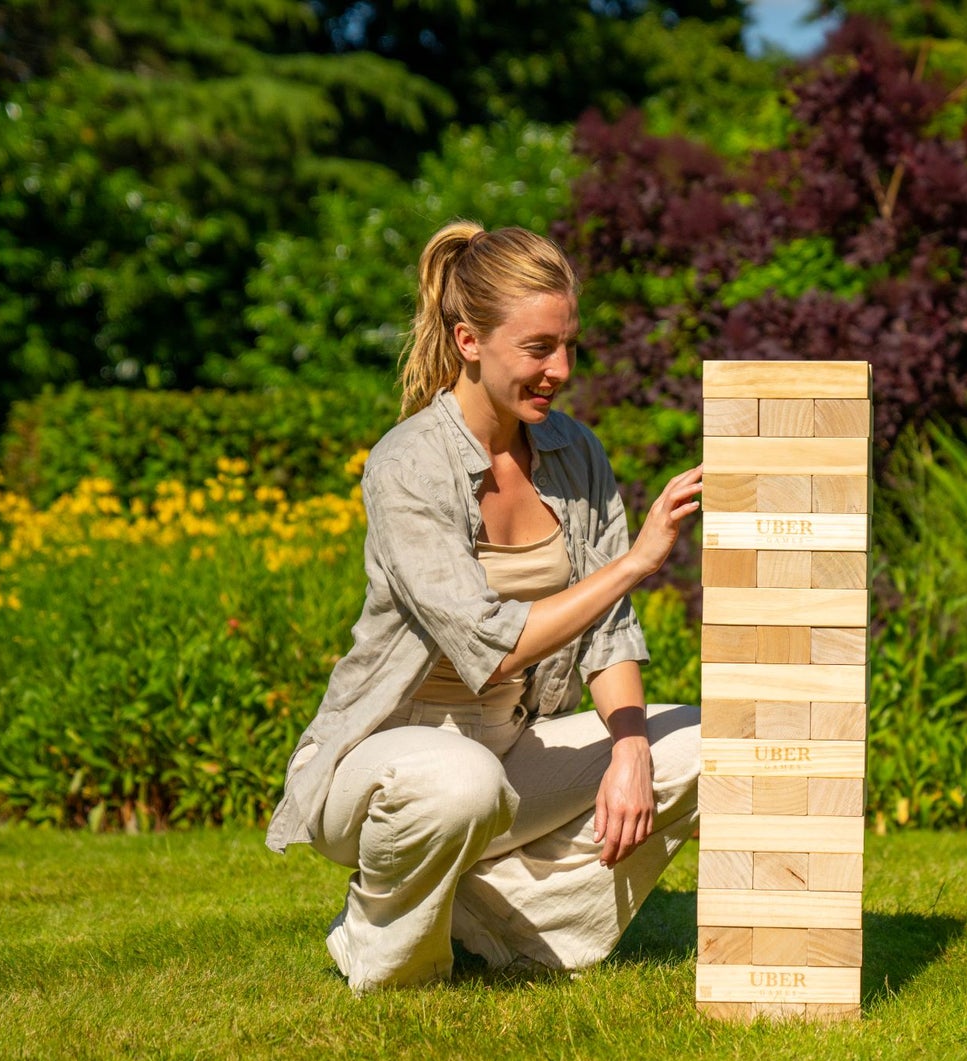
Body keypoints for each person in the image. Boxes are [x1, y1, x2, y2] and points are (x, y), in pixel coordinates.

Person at [264, 221, 705, 992]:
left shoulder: (575, 451)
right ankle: (389, 956)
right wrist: (637, 562)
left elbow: (606, 634)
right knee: (461, 782)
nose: (561, 368)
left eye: (568, 345)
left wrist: (631, 751)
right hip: (388, 758)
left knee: (710, 746)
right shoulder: (407, 464)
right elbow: (494, 647)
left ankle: (494, 919)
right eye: (538, 349)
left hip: (510, 743)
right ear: (468, 340)